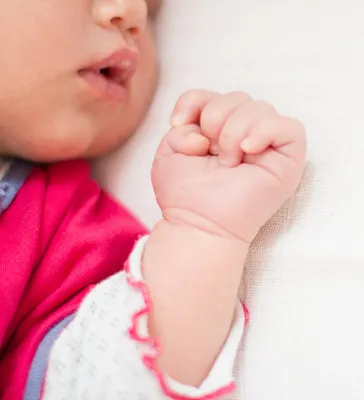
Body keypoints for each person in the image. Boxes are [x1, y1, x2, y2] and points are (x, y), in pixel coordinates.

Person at [0, 0, 307, 399]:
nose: (134, 14)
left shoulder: (58, 232)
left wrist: (202, 230)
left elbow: (104, 381)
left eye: (153, 9)